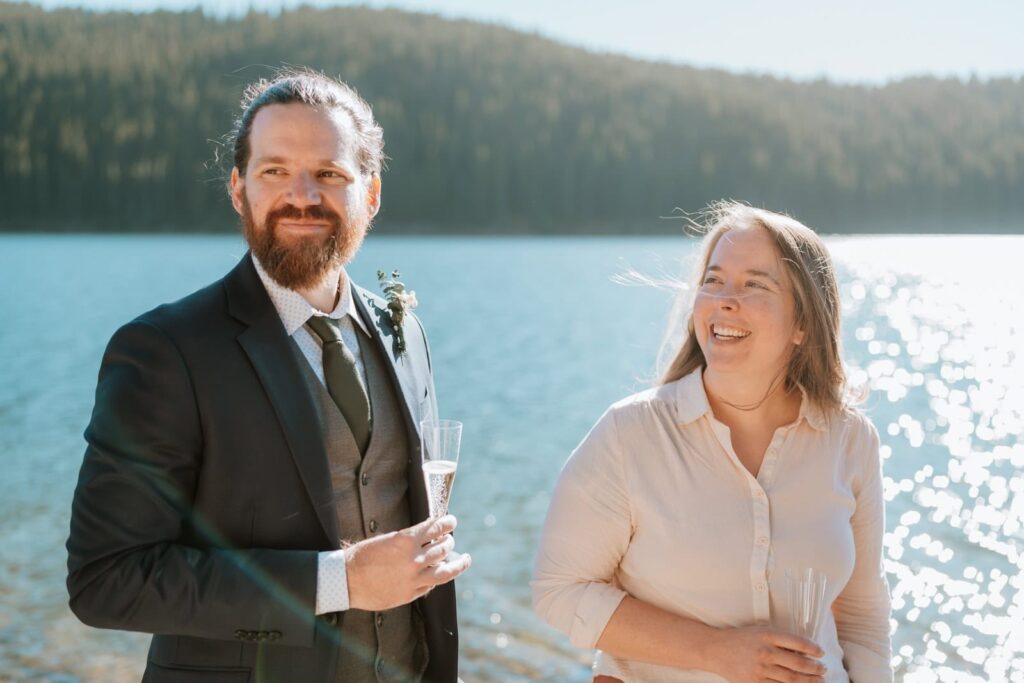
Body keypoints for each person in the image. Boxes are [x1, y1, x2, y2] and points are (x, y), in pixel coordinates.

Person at [66, 69, 471, 683]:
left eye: (329, 173)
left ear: (372, 193)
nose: (302, 195)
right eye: (275, 171)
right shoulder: (164, 351)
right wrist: (341, 582)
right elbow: (106, 580)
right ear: (238, 188)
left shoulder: (403, 331)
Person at [532, 203, 893, 682]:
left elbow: (862, 615)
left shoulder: (850, 440)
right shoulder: (630, 434)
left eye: (754, 285)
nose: (724, 300)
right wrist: (715, 652)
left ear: (804, 324)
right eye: (713, 280)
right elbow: (560, 590)